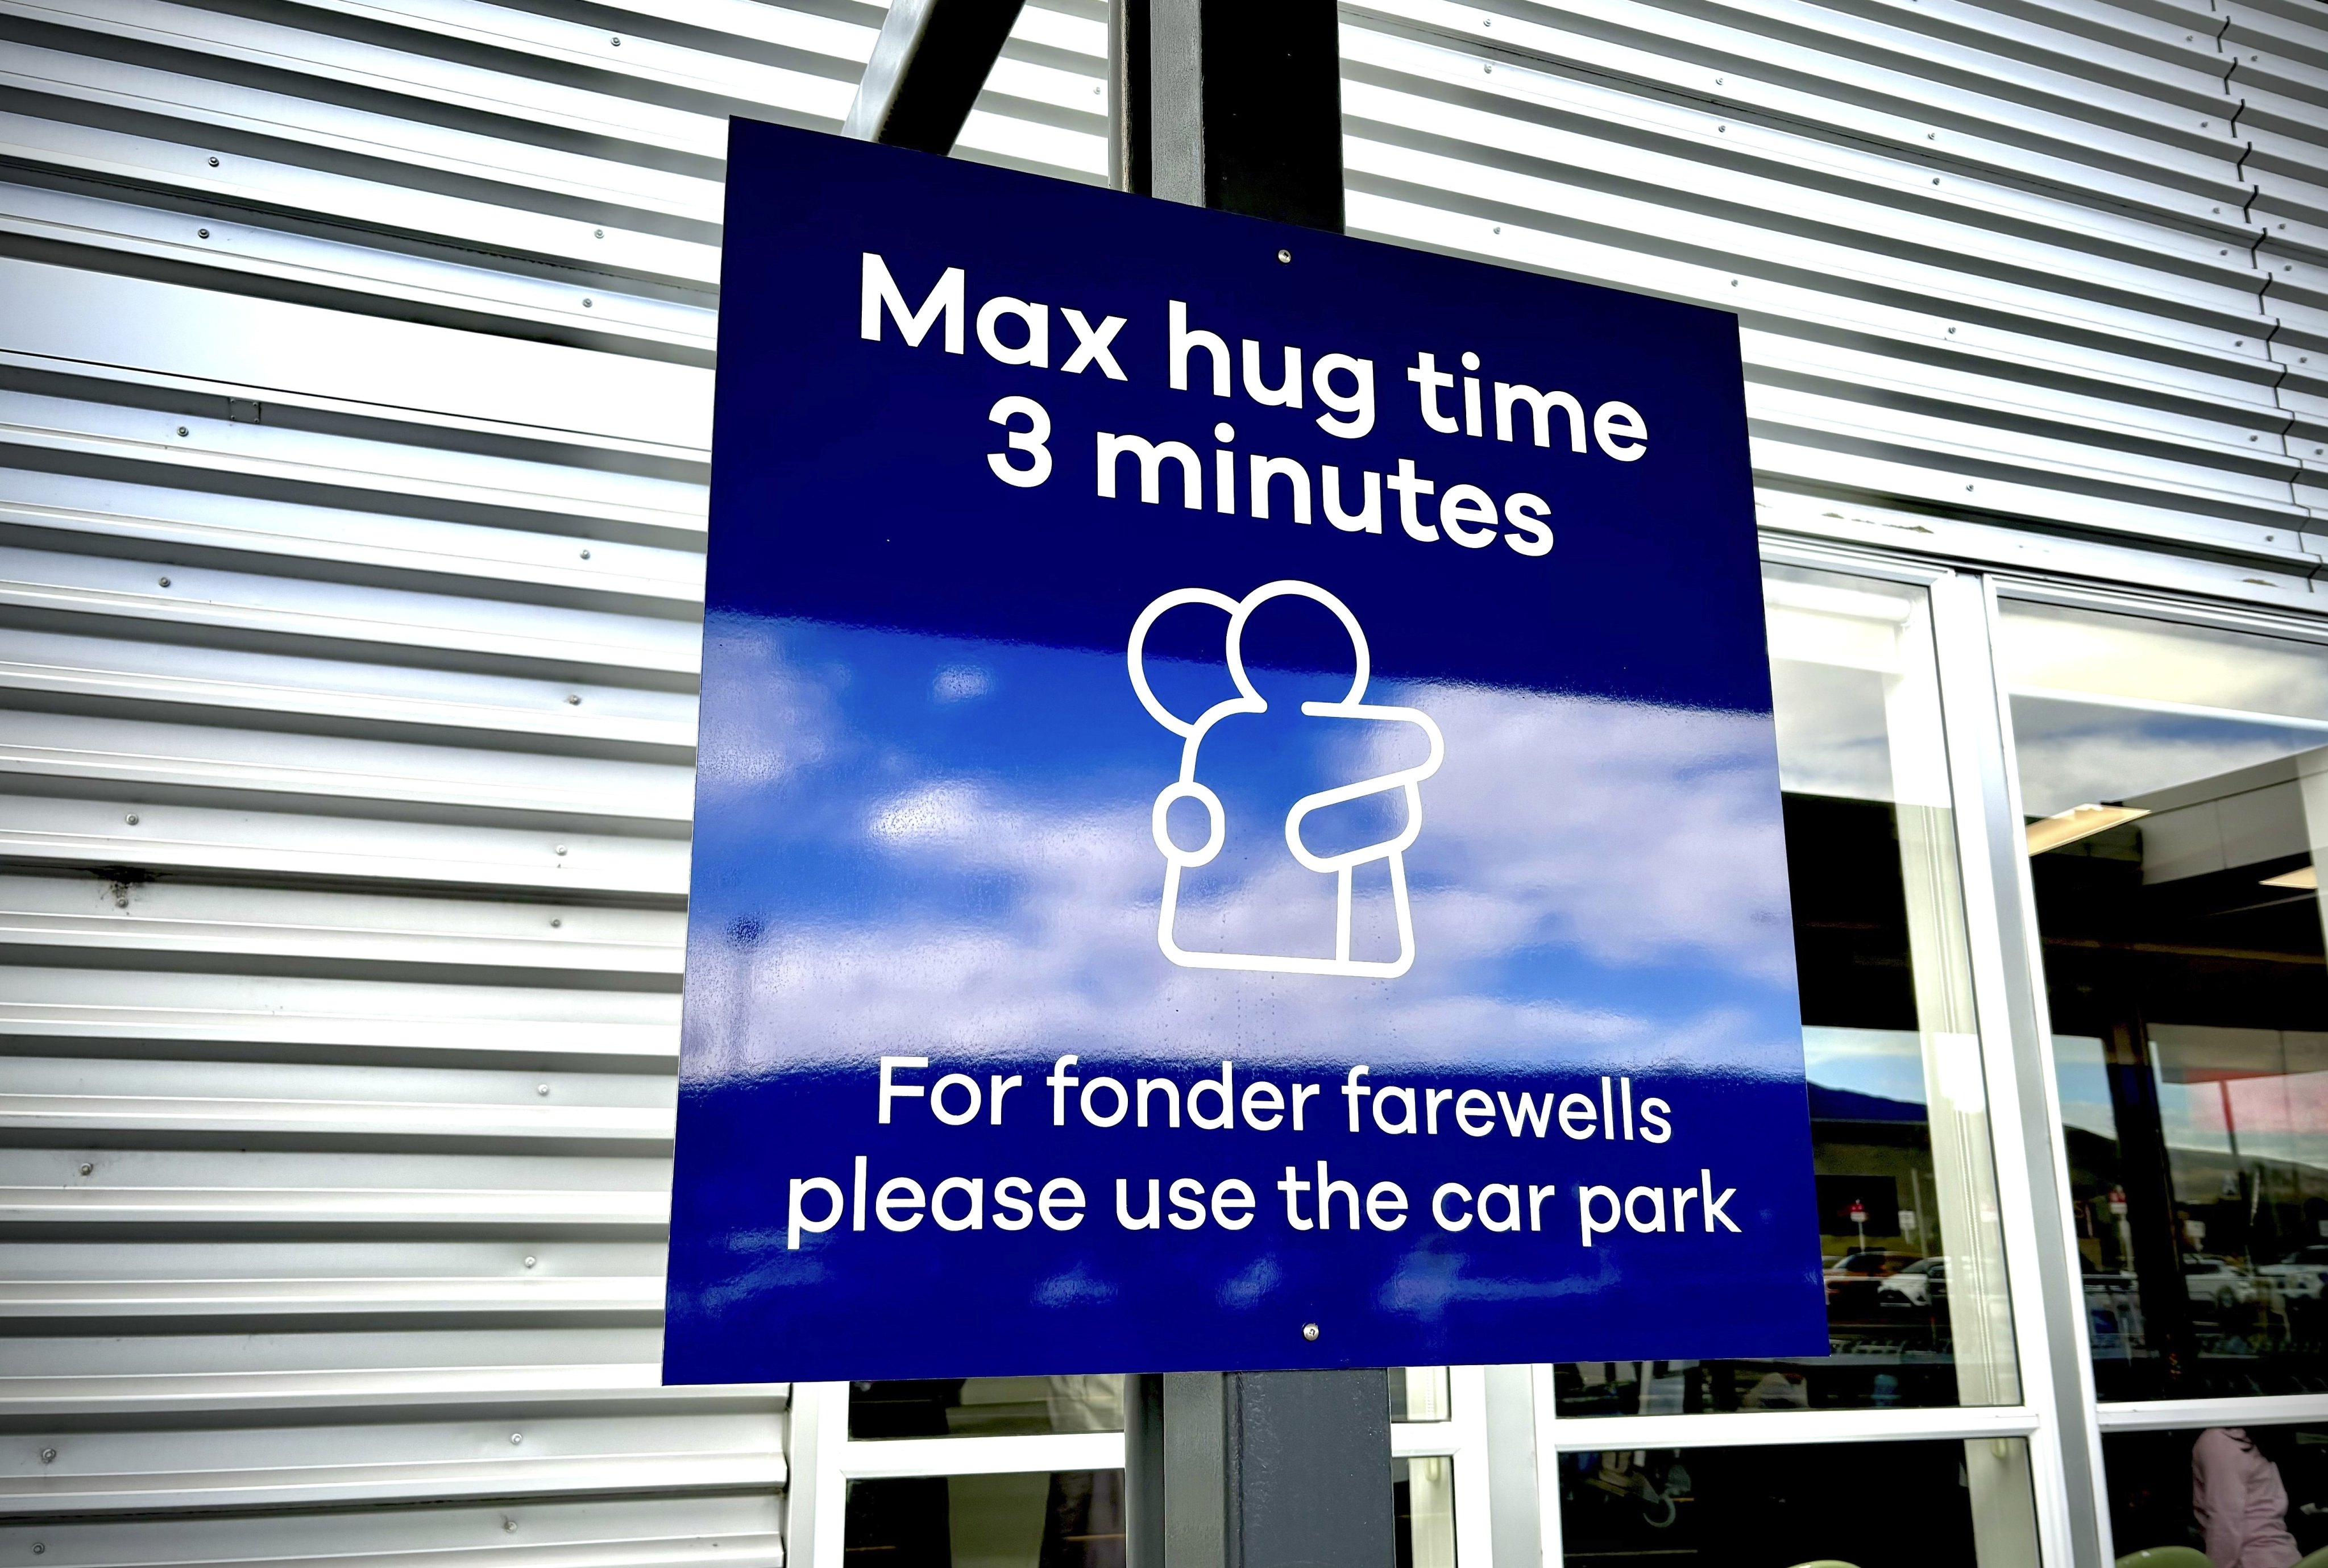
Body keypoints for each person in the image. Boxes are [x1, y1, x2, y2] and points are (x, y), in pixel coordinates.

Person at [2193, 1426, 2300, 1568]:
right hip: (2284, 1556)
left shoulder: (2218, 1441)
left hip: (2247, 1559)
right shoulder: (2256, 1438)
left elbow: (2225, 1520)